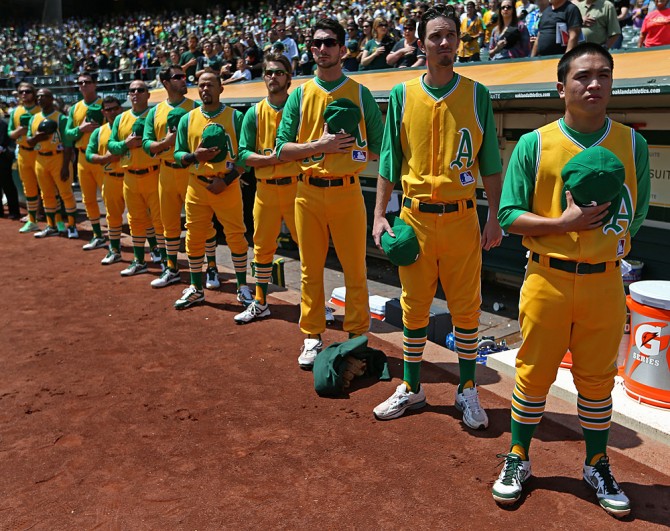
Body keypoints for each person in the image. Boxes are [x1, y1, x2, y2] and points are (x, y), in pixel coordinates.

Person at [492, 43, 650, 517]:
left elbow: (636, 213)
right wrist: (562, 225)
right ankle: (518, 456)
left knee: (599, 380)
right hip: (547, 277)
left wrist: (607, 243)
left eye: (603, 75)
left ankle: (597, 463)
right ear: (561, 87)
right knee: (534, 372)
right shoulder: (534, 143)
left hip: (604, 280)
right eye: (582, 76)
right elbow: (507, 215)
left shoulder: (633, 143)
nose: (594, 84)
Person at [372, 4, 502, 424]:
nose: (444, 43)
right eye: (435, 36)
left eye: (450, 35)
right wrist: (379, 216)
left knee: (466, 308)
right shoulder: (402, 93)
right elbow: (390, 162)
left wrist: (495, 215)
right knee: (414, 307)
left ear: (458, 41)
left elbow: (491, 163)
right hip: (414, 219)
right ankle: (411, 387)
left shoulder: (478, 93)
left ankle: (467, 389)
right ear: (420, 41)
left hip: (463, 215)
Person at [276, 18, 384, 369]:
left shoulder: (359, 93)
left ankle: (356, 336)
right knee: (310, 269)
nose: (322, 49)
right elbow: (282, 150)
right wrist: (318, 146)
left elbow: (379, 150)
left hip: (348, 191)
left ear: (342, 49)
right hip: (307, 191)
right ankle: (312, 334)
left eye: (329, 43)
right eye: (317, 43)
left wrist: (349, 150)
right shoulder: (301, 94)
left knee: (355, 269)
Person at [173, 70, 252, 310]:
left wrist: (226, 180)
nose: (205, 89)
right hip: (197, 184)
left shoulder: (236, 117)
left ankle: (242, 286)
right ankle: (196, 287)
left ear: (221, 89)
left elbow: (246, 156)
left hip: (226, 185)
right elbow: (178, 154)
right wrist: (192, 156)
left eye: (210, 85)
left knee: (236, 235)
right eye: (201, 85)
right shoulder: (188, 119)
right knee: (194, 235)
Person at [234, 54, 301, 324]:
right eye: (269, 72)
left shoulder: (299, 108)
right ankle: (260, 301)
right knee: (261, 247)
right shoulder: (254, 112)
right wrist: (272, 159)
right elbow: (241, 155)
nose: (273, 77)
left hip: (296, 187)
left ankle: (315, 304)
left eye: (279, 72)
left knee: (309, 248)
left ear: (289, 78)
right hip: (265, 188)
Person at [142, 65, 201, 289]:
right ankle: (171, 267)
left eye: (184, 76)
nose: (184, 80)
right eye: (177, 77)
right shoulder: (155, 112)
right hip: (165, 170)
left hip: (190, 170)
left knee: (200, 222)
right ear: (166, 83)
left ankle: (212, 266)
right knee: (168, 224)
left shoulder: (195, 107)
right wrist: (166, 142)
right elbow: (147, 146)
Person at [108, 80, 165, 277]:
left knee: (159, 221)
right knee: (135, 220)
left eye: (141, 90)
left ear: (148, 94)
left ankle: (167, 261)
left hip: (153, 173)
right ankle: (139, 260)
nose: (136, 93)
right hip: (130, 175)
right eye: (132, 90)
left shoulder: (155, 116)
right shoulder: (121, 118)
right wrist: (126, 143)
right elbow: (112, 145)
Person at [27, 88, 78, 239]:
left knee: (66, 194)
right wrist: (37, 138)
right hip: (41, 158)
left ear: (51, 98)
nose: (41, 98)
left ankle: (72, 226)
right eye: (39, 96)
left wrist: (65, 166)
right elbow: (29, 141)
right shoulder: (34, 118)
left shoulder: (60, 118)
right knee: (47, 194)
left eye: (45, 96)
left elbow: (68, 143)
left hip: (58, 156)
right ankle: (51, 226)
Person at [64, 72, 106, 251]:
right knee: (88, 198)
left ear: (95, 84)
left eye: (87, 82)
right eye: (80, 82)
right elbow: (67, 133)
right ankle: (97, 234)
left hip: (103, 156)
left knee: (109, 198)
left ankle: (114, 234)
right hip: (82, 156)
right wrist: (80, 129)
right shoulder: (75, 108)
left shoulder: (104, 105)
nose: (83, 85)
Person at [85, 96, 127, 265]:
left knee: (141, 217)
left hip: (132, 176)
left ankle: (154, 250)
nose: (112, 112)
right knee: (113, 217)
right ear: (103, 112)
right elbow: (89, 154)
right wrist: (104, 158)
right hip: (110, 178)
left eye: (115, 108)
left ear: (121, 109)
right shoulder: (99, 131)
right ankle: (114, 250)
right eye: (108, 109)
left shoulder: (128, 126)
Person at [7, 82, 41, 233]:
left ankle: (55, 217)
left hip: (40, 152)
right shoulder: (15, 112)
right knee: (28, 186)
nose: (24, 94)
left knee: (47, 185)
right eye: (21, 92)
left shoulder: (41, 110)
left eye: (27, 91)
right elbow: (10, 134)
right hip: (23, 152)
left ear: (33, 93)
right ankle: (32, 217)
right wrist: (20, 130)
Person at [0, 112, 20, 220]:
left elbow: (2, 144)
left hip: (3, 160)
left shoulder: (2, 125)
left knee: (7, 185)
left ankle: (14, 211)